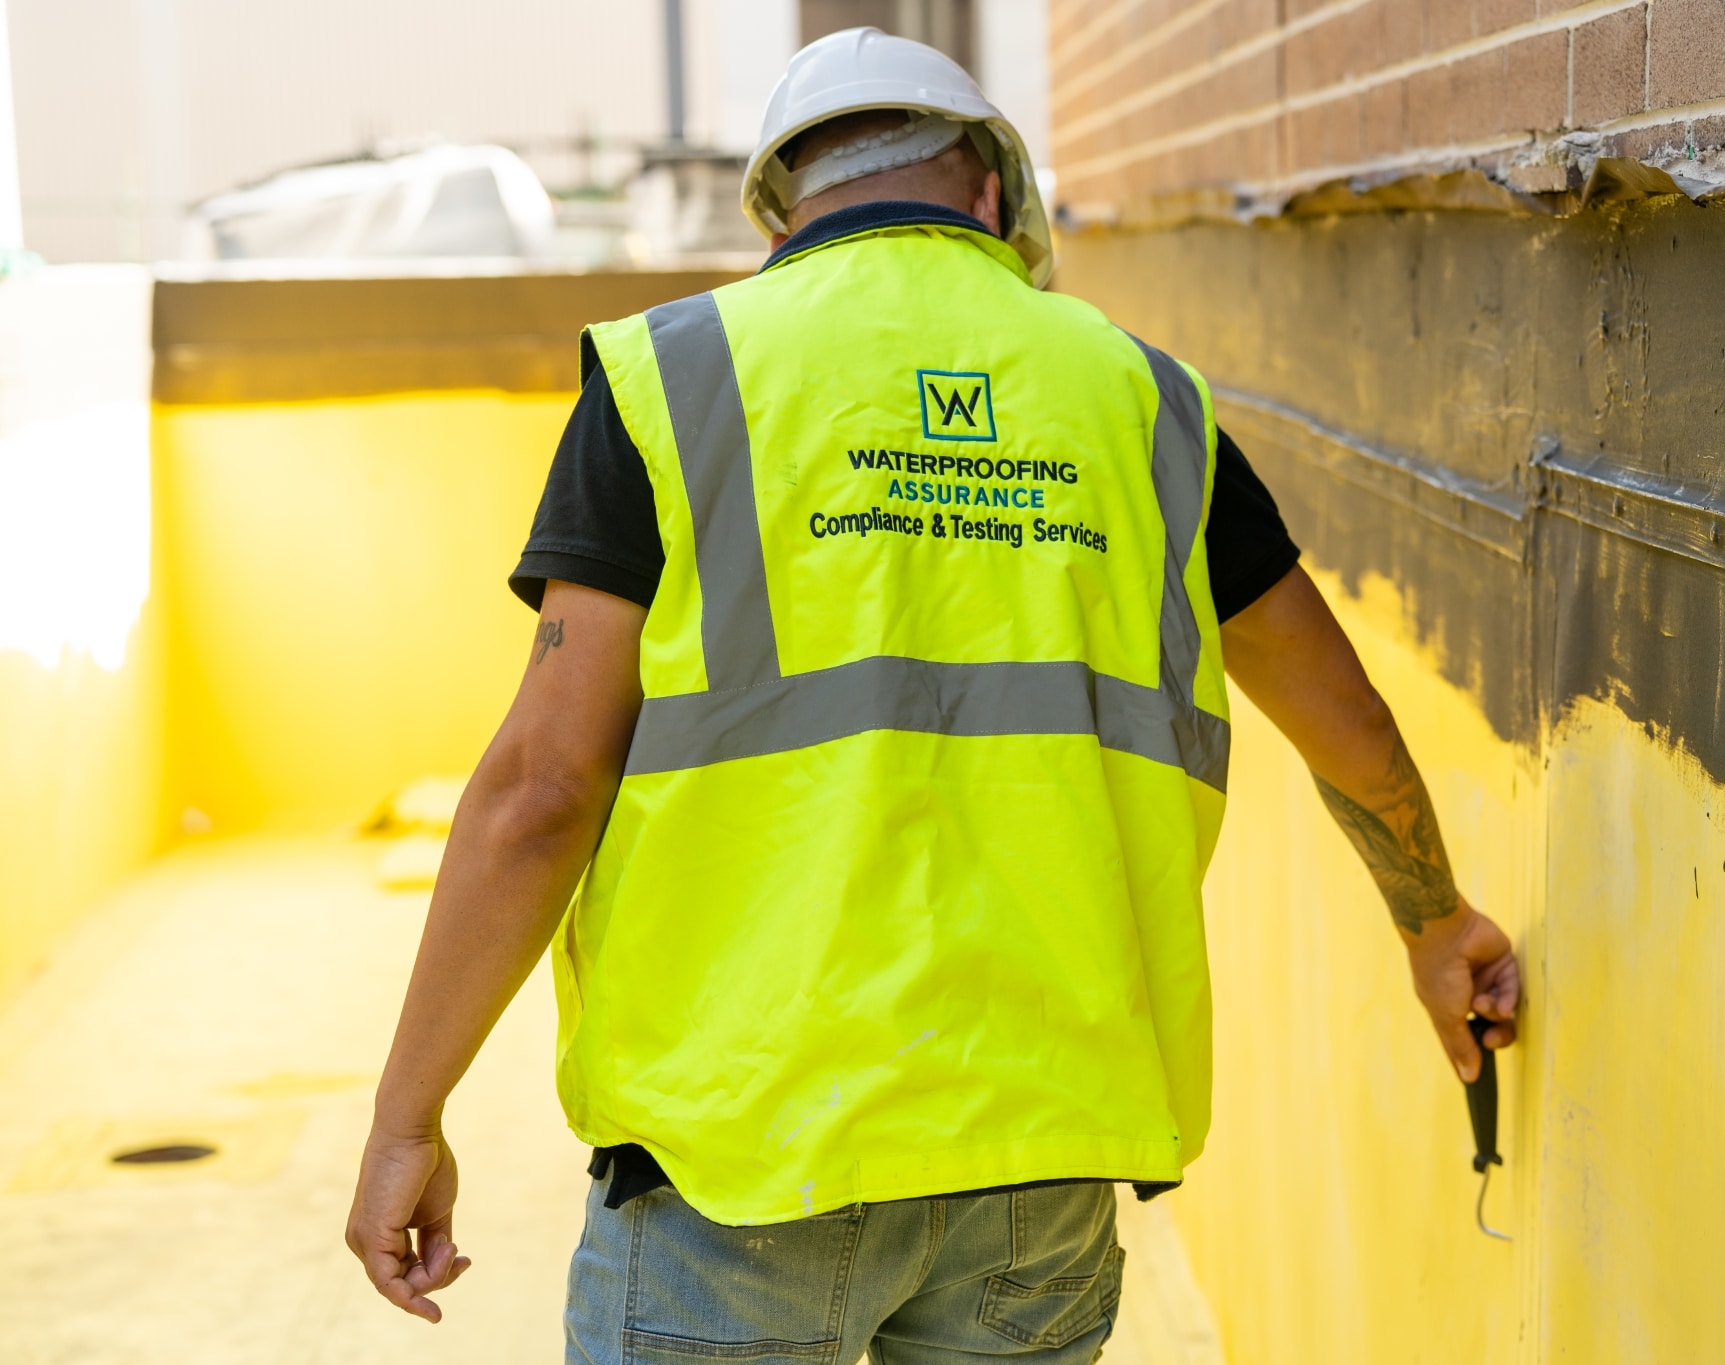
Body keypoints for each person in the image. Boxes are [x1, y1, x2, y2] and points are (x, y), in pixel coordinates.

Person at [344, 27, 1520, 1364]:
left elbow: (540, 793)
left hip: (749, 1156)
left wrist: (407, 1115)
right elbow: (1352, 726)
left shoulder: (679, 378)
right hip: (1042, 1159)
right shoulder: (1139, 402)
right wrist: (1437, 922)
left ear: (787, 208)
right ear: (990, 197)